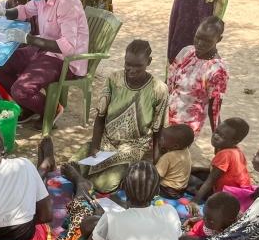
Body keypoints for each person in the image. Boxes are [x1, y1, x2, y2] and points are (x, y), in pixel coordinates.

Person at [0, 0, 89, 124]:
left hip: (65, 60)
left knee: (20, 90)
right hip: (44, 49)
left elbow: (68, 47)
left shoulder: (66, 3)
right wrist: (3, 11)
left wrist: (28, 39)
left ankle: (52, 109)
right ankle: (29, 107)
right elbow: (25, 10)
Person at [77, 40, 168, 193]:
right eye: (128, 64)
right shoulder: (114, 80)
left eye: (138, 66)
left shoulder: (159, 89)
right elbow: (100, 116)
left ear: (149, 62)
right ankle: (86, 177)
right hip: (107, 141)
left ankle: (96, 179)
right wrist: (94, 146)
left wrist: (155, 165)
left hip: (133, 147)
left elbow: (158, 131)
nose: (131, 70)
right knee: (73, 165)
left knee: (105, 185)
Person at [168, 16, 229, 136]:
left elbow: (214, 108)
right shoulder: (187, 52)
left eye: (207, 41)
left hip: (188, 124)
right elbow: (170, 82)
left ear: (219, 40)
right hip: (167, 112)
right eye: (197, 37)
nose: (199, 44)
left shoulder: (217, 70)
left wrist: (217, 136)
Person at [188, 117, 252, 203]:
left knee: (185, 178)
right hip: (238, 192)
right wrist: (198, 168)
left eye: (222, 136)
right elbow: (218, 171)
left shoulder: (225, 154)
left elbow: (211, 181)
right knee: (193, 172)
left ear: (235, 141)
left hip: (226, 197)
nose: (215, 136)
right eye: (217, 132)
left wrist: (194, 201)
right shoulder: (236, 151)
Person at [156, 124, 195, 199]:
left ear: (175, 146)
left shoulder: (167, 157)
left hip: (166, 191)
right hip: (181, 190)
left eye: (163, 138)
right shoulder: (185, 150)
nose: (160, 139)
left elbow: (157, 176)